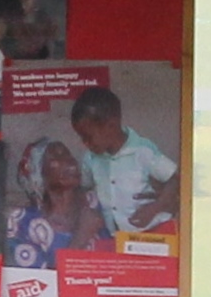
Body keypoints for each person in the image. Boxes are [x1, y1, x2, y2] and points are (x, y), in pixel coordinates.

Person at [60, 82, 181, 239]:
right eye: (82, 138)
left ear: (111, 126)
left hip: (155, 231)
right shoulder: (90, 159)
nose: (85, 143)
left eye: (88, 137)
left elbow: (175, 178)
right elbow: (83, 188)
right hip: (118, 238)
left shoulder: (142, 151)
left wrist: (156, 207)